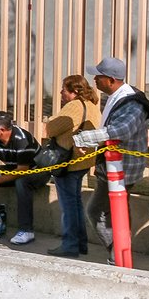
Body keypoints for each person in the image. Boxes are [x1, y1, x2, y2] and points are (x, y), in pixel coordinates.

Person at [72, 57, 149, 260]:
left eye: (98, 77)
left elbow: (120, 130)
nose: (94, 80)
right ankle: (119, 254)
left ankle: (118, 255)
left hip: (122, 170)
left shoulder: (132, 103)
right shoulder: (117, 96)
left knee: (99, 212)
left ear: (111, 80)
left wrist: (84, 138)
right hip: (112, 166)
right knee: (114, 214)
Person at [43, 75, 100, 258]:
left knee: (68, 205)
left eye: (64, 89)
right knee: (76, 203)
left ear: (75, 91)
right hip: (83, 161)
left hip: (68, 162)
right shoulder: (92, 105)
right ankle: (80, 243)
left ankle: (70, 244)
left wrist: (52, 119)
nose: (61, 92)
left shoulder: (74, 106)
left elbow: (52, 129)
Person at [0, 111, 42, 245]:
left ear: (2, 130)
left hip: (36, 171)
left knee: (21, 182)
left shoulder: (22, 139)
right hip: (14, 169)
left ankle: (26, 230)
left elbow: (22, 171)